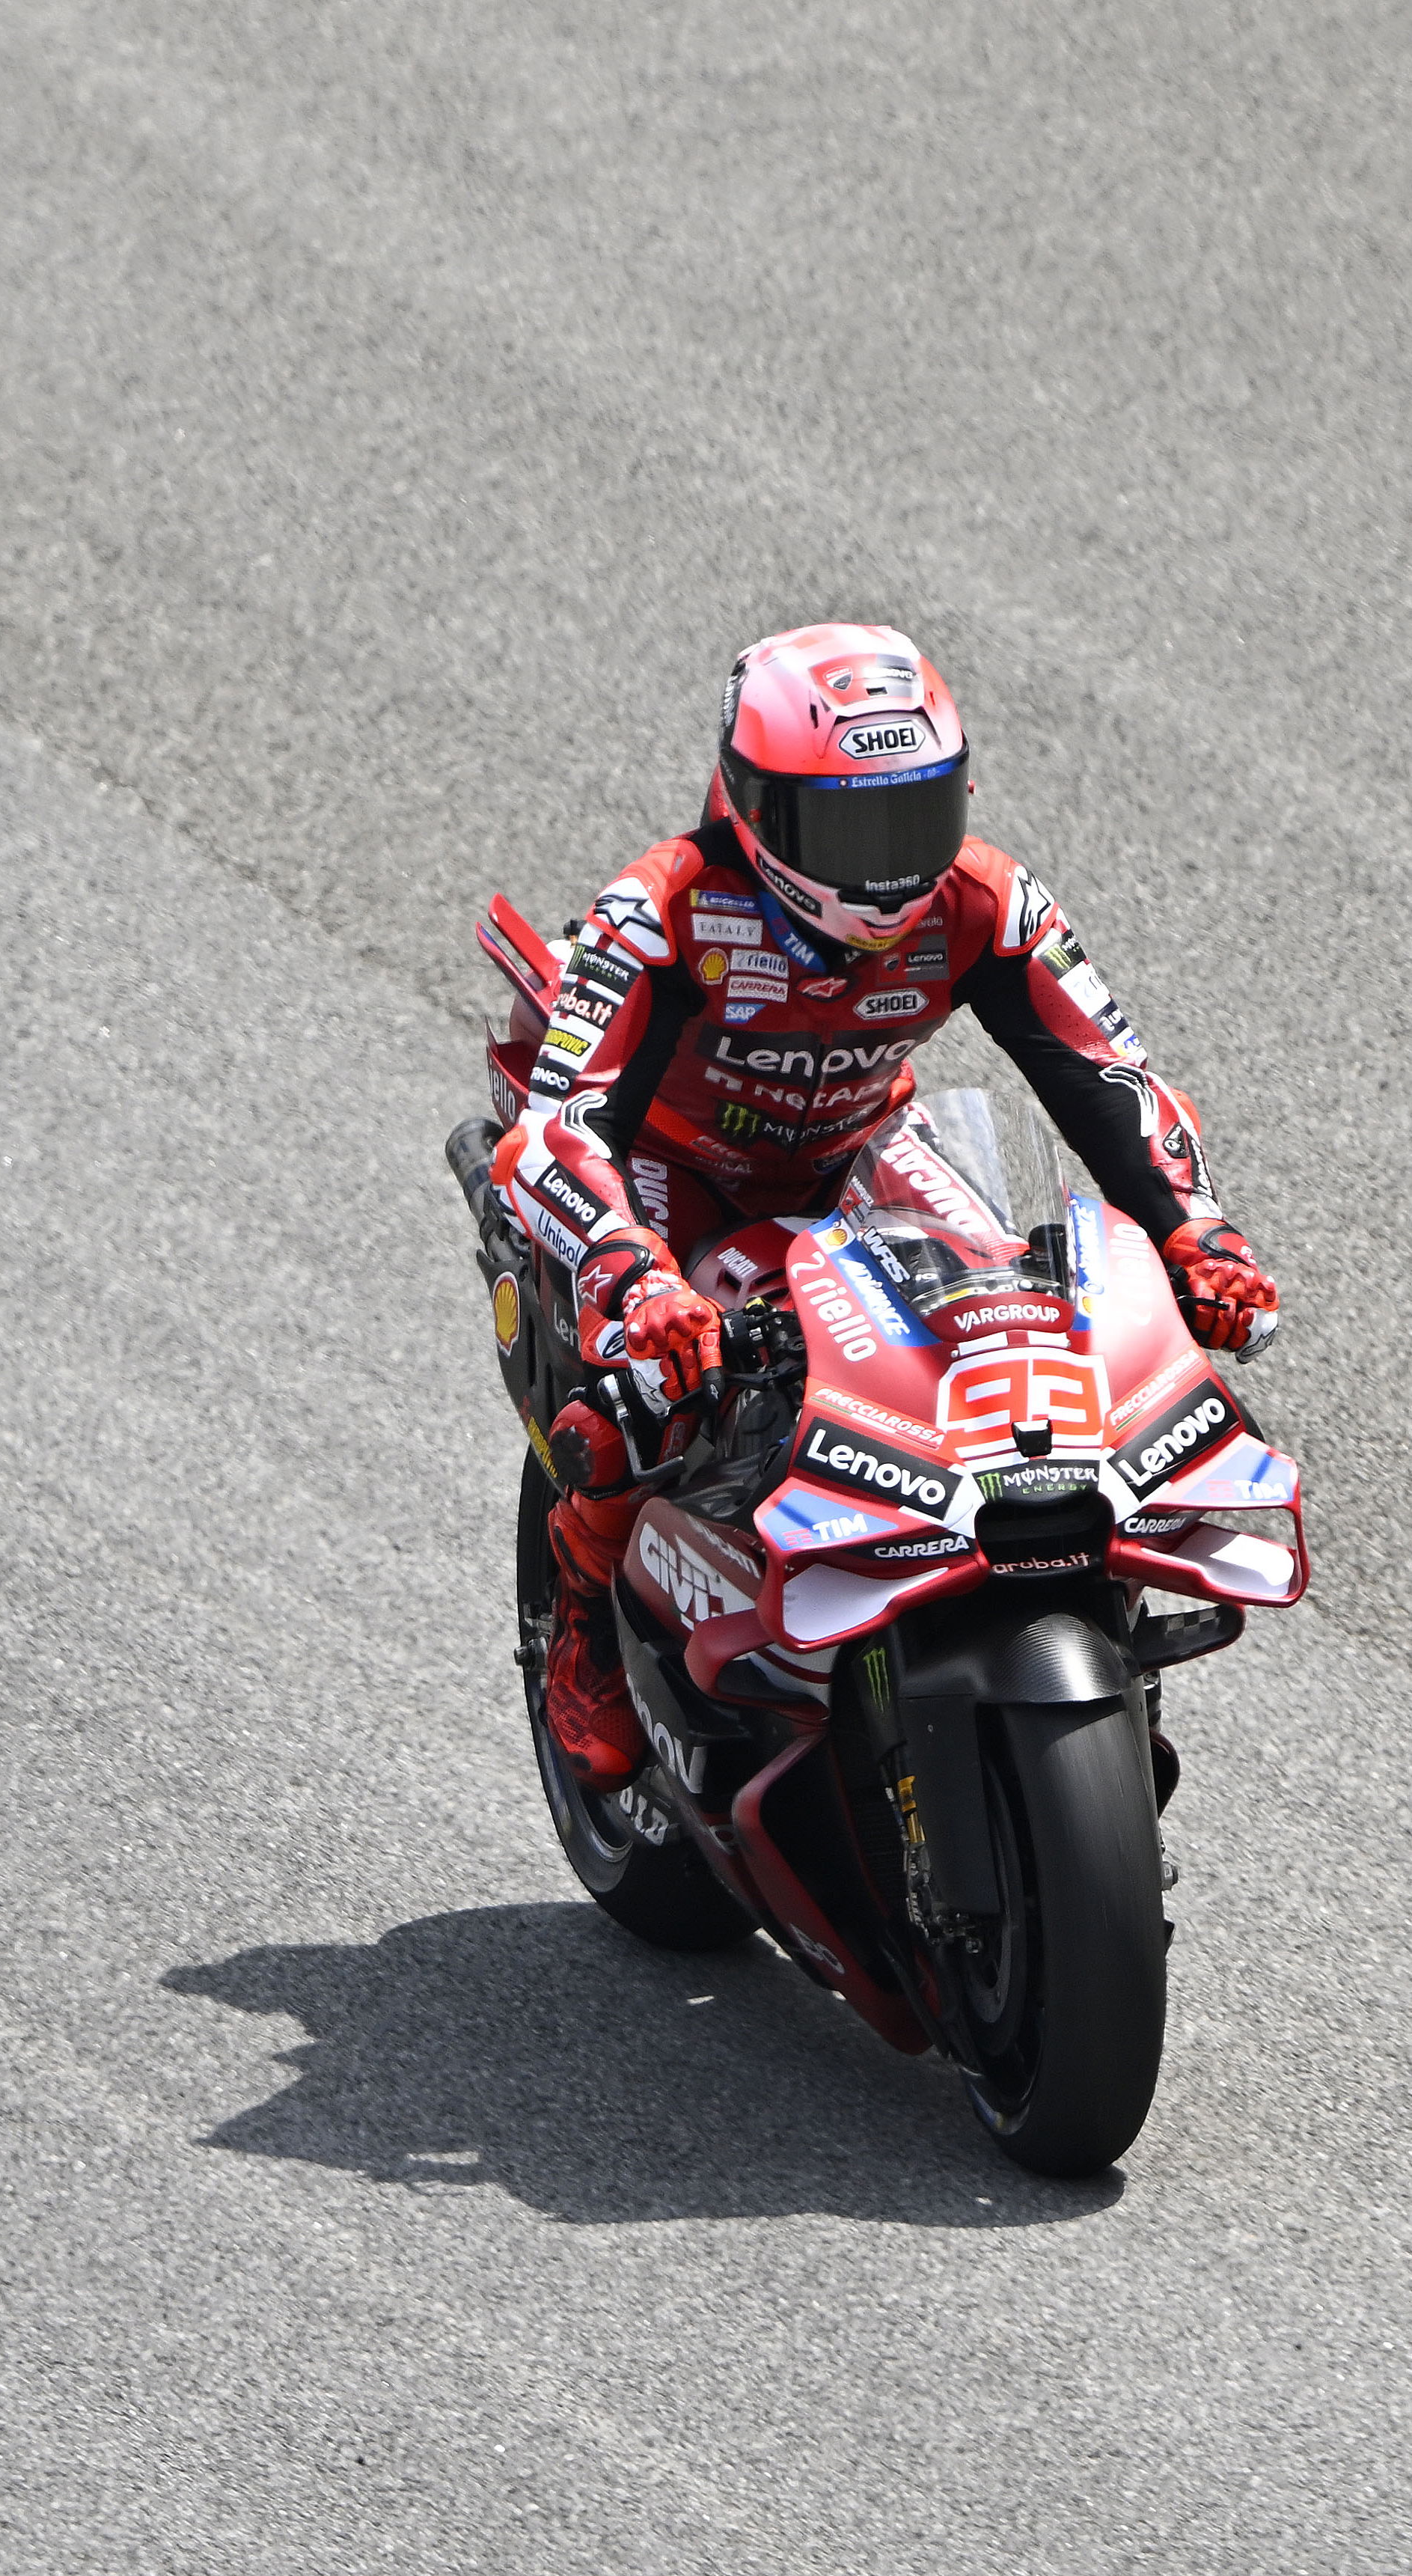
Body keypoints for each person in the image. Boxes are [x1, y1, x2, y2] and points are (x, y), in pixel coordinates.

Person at [497, 624, 1276, 1786]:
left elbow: (1113, 1077)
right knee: (646, 1394)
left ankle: (1086, 1627)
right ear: (756, 808)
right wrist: (629, 1268)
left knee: (1028, 1319)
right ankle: (581, 1634)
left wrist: (1195, 1234)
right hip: (679, 1174)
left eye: (917, 820)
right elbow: (556, 1129)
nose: (890, 868)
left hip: (862, 1143)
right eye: (852, 829)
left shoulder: (989, 900)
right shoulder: (660, 908)